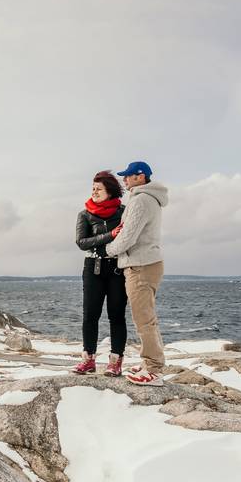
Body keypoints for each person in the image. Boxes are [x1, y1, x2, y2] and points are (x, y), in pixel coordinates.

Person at [105, 161, 169, 387]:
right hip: (146, 263)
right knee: (147, 316)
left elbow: (128, 236)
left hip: (140, 265)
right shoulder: (149, 198)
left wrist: (109, 249)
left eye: (129, 176)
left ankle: (153, 369)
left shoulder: (141, 200)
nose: (125, 180)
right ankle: (152, 363)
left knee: (143, 318)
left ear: (141, 177)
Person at [73, 171, 128, 376]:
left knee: (117, 315)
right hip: (92, 268)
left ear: (110, 191)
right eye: (93, 189)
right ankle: (88, 360)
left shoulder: (124, 211)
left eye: (99, 189)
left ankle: (115, 361)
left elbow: (128, 237)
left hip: (117, 268)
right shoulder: (85, 214)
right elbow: (81, 242)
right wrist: (110, 235)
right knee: (90, 316)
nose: (94, 192)